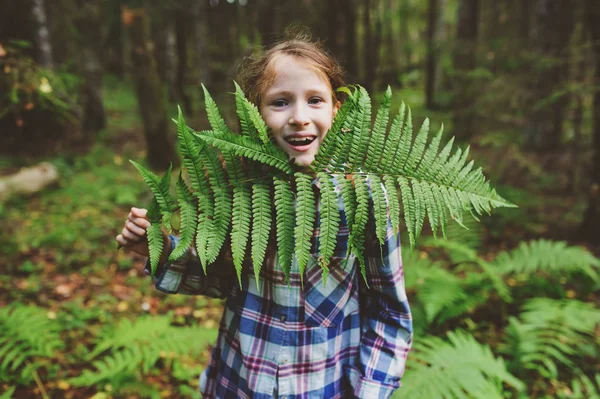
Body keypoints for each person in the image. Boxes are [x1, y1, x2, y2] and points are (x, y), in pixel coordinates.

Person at [116, 34, 413, 399]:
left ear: (336, 109)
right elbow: (218, 277)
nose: (299, 117)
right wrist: (156, 247)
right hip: (240, 380)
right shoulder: (240, 187)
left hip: (322, 385)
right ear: (256, 113)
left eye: (315, 101)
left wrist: (370, 391)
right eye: (281, 102)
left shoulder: (365, 197)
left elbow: (390, 312)